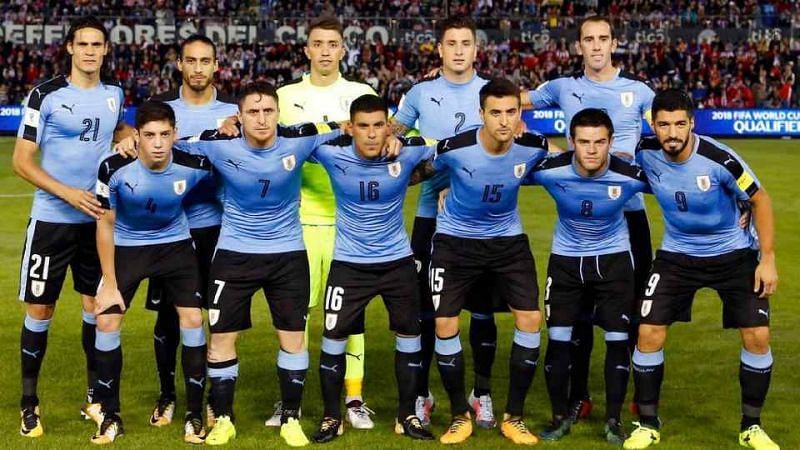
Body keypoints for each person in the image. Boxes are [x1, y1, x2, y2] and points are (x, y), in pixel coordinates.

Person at [173, 81, 344, 447]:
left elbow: (355, 127)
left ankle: (291, 419)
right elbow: (164, 141)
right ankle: (223, 420)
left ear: (279, 113)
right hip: (234, 255)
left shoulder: (300, 139)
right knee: (221, 341)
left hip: (287, 257)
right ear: (239, 116)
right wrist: (126, 140)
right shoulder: (219, 143)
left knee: (293, 339)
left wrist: (392, 133)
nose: (262, 119)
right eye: (253, 111)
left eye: (268, 110)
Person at [624, 89, 779, 450]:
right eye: (664, 124)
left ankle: (751, 427)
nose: (672, 132)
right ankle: (648, 423)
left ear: (692, 123)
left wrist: (767, 258)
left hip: (734, 255)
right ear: (654, 125)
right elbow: (601, 158)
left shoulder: (719, 158)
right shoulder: (644, 153)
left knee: (756, 337)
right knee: (648, 332)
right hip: (677, 256)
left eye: (680, 123)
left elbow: (759, 197)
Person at [521, 15, 656, 421]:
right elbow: (511, 105)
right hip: (580, 220)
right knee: (575, 317)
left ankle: (637, 395)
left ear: (614, 43)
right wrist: (557, 148)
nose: (596, 46)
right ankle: (578, 396)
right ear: (578, 46)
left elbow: (675, 134)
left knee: (635, 312)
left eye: (602, 39)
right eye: (588, 40)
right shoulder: (564, 88)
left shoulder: (639, 91)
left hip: (629, 217)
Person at [13, 16, 131, 437]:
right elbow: (22, 162)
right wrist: (68, 193)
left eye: (97, 44)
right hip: (51, 220)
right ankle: (30, 403)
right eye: (83, 44)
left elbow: (119, 130)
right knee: (40, 309)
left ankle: (94, 399)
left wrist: (130, 137)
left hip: (96, 223)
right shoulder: (44, 95)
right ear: (69, 48)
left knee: (95, 309)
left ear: (104, 50)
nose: (90, 51)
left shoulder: (114, 94)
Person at [424, 78, 548, 445]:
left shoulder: (532, 146)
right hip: (455, 242)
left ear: (520, 113)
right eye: (495, 113)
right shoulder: (454, 147)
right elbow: (420, 171)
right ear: (482, 114)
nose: (504, 121)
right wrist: (443, 185)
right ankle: (460, 414)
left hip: (507, 242)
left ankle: (514, 416)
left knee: (531, 318)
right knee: (445, 322)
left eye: (512, 112)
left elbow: (559, 160)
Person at [390, 15, 498, 428]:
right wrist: (401, 144)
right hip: (430, 218)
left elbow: (505, 149)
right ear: (440, 49)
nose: (458, 50)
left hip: (485, 222)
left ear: (475, 48)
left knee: (483, 312)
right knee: (426, 311)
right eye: (450, 43)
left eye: (465, 43)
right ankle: (421, 393)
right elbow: (394, 137)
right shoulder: (420, 92)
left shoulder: (491, 94)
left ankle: (481, 393)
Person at [309, 94, 436, 443]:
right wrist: (334, 128)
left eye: (378, 126)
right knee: (333, 339)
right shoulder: (332, 154)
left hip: (397, 263)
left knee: (410, 337)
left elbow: (447, 148)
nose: (370, 134)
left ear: (388, 126)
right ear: (351, 128)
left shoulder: (406, 152)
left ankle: (407, 415)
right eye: (362, 126)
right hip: (349, 265)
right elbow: (290, 137)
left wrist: (407, 140)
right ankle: (332, 417)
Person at [272, 16, 378, 429]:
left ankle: (353, 398)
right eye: (318, 43)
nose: (326, 50)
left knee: (349, 316)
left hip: (350, 224)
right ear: (307, 50)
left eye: (333, 43)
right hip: (297, 221)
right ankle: (290, 400)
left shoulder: (361, 93)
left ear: (343, 49)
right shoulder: (284, 96)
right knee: (293, 314)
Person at [526, 108, 649, 444]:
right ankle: (559, 417)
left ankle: (614, 420)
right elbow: (498, 173)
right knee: (560, 340)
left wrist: (742, 204)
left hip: (614, 263)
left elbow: (683, 185)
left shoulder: (629, 174)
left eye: (599, 142)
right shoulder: (551, 170)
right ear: (571, 143)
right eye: (584, 142)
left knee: (617, 340)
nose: (591, 150)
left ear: (610, 142)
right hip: (566, 263)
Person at [91, 101, 210, 444]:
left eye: (164, 135)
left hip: (175, 246)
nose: (157, 143)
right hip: (129, 248)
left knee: (191, 320)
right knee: (107, 318)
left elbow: (230, 155)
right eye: (149, 136)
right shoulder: (114, 167)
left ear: (175, 134)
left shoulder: (194, 162)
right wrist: (110, 284)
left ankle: (194, 414)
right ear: (136, 136)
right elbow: (105, 224)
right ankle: (110, 415)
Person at [145, 33, 238, 428]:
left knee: (218, 319)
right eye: (191, 61)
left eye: (206, 61)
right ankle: (167, 396)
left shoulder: (234, 112)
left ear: (217, 65)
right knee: (169, 319)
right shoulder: (161, 112)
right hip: (171, 231)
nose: (198, 68)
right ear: (179, 64)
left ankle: (215, 400)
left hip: (220, 230)